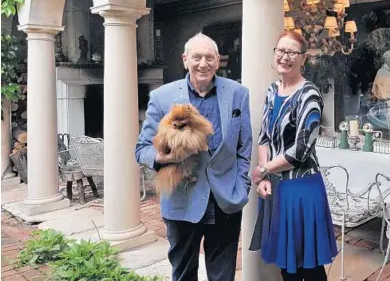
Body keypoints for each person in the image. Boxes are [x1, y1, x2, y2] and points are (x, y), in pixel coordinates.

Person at [135, 33, 252, 281]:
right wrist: (163, 158)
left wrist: (242, 186)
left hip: (225, 200)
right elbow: (142, 149)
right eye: (196, 57)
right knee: (184, 274)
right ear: (185, 60)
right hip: (181, 199)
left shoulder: (238, 93)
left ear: (218, 61)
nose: (203, 63)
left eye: (209, 57)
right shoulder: (162, 97)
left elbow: (245, 146)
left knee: (223, 275)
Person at [249, 31, 337, 281]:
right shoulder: (271, 91)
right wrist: (264, 176)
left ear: (303, 58)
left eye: (291, 52)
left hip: (302, 189)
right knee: (286, 265)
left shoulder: (309, 95)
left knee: (308, 265)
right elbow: (263, 136)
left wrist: (264, 171)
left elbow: (301, 150)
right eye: (280, 51)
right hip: (276, 186)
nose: (284, 57)